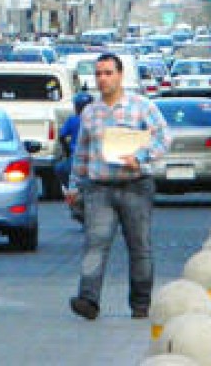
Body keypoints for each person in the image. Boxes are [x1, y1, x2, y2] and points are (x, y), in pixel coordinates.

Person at [67, 53, 171, 321]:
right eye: (99, 74)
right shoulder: (90, 112)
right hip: (99, 188)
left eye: (108, 73)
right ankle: (88, 299)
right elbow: (82, 152)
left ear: (120, 75)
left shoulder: (141, 107)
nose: (103, 79)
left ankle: (140, 303)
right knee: (95, 244)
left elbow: (163, 137)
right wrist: (74, 187)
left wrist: (140, 158)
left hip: (135, 185)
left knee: (139, 246)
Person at [56, 92, 94, 189]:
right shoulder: (97, 120)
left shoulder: (73, 120)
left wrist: (67, 150)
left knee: (60, 169)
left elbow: (61, 136)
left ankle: (69, 189)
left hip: (76, 156)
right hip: (94, 156)